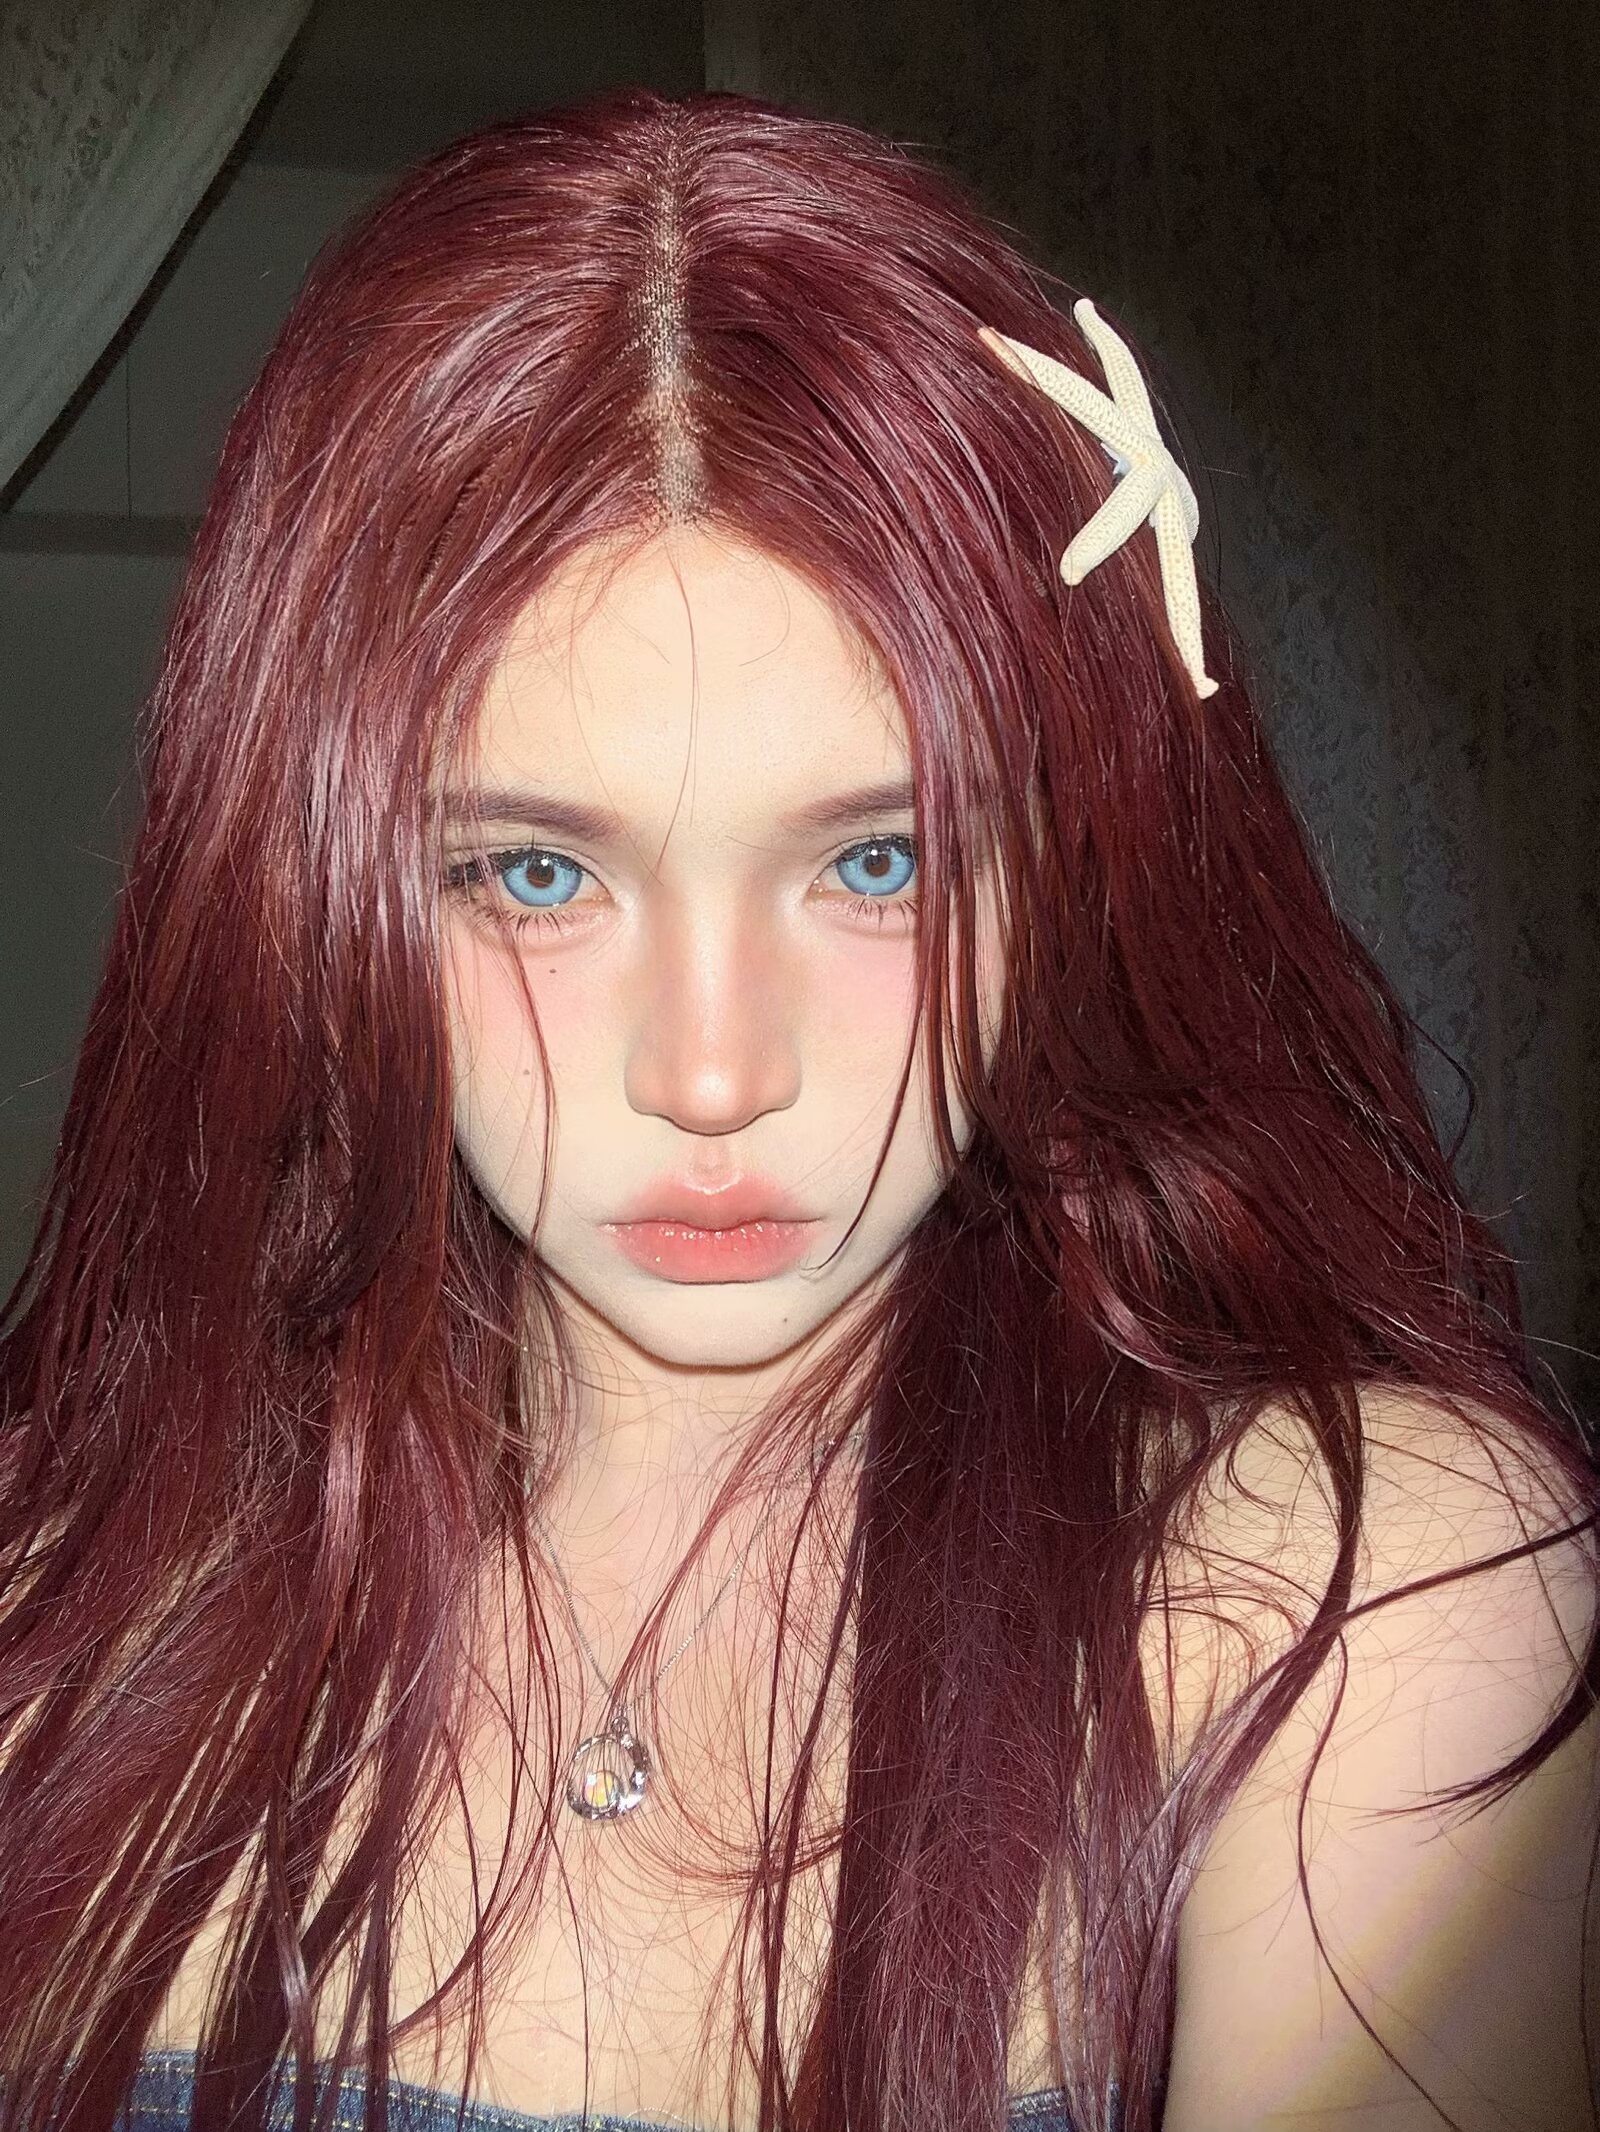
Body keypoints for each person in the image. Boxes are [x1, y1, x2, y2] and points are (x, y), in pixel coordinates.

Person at [0, 85, 1596, 2132]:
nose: (712, 1072)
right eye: (536, 873)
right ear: (319, 898)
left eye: (877, 861)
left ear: (1075, 857)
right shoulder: (63, 1583)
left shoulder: (1351, 1605)